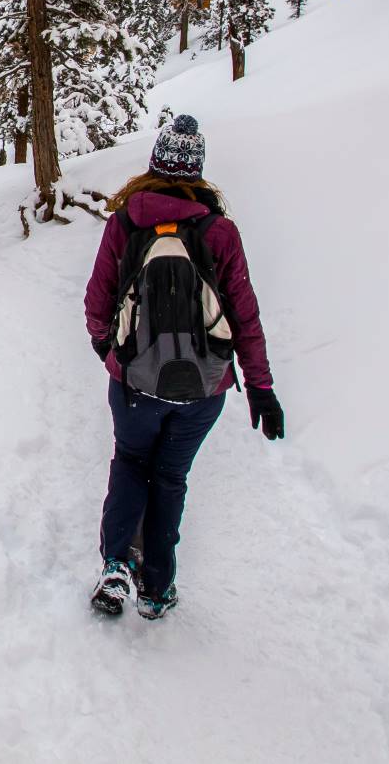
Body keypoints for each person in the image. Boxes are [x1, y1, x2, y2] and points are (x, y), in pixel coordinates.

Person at [81, 114, 283, 619]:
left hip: (134, 382)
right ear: (196, 171)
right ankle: (157, 588)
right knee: (170, 477)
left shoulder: (126, 221)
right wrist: (260, 387)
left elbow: (96, 299)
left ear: (154, 163)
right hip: (203, 387)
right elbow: (243, 313)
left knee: (130, 463)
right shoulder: (219, 232)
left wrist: (110, 350)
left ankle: (115, 564)